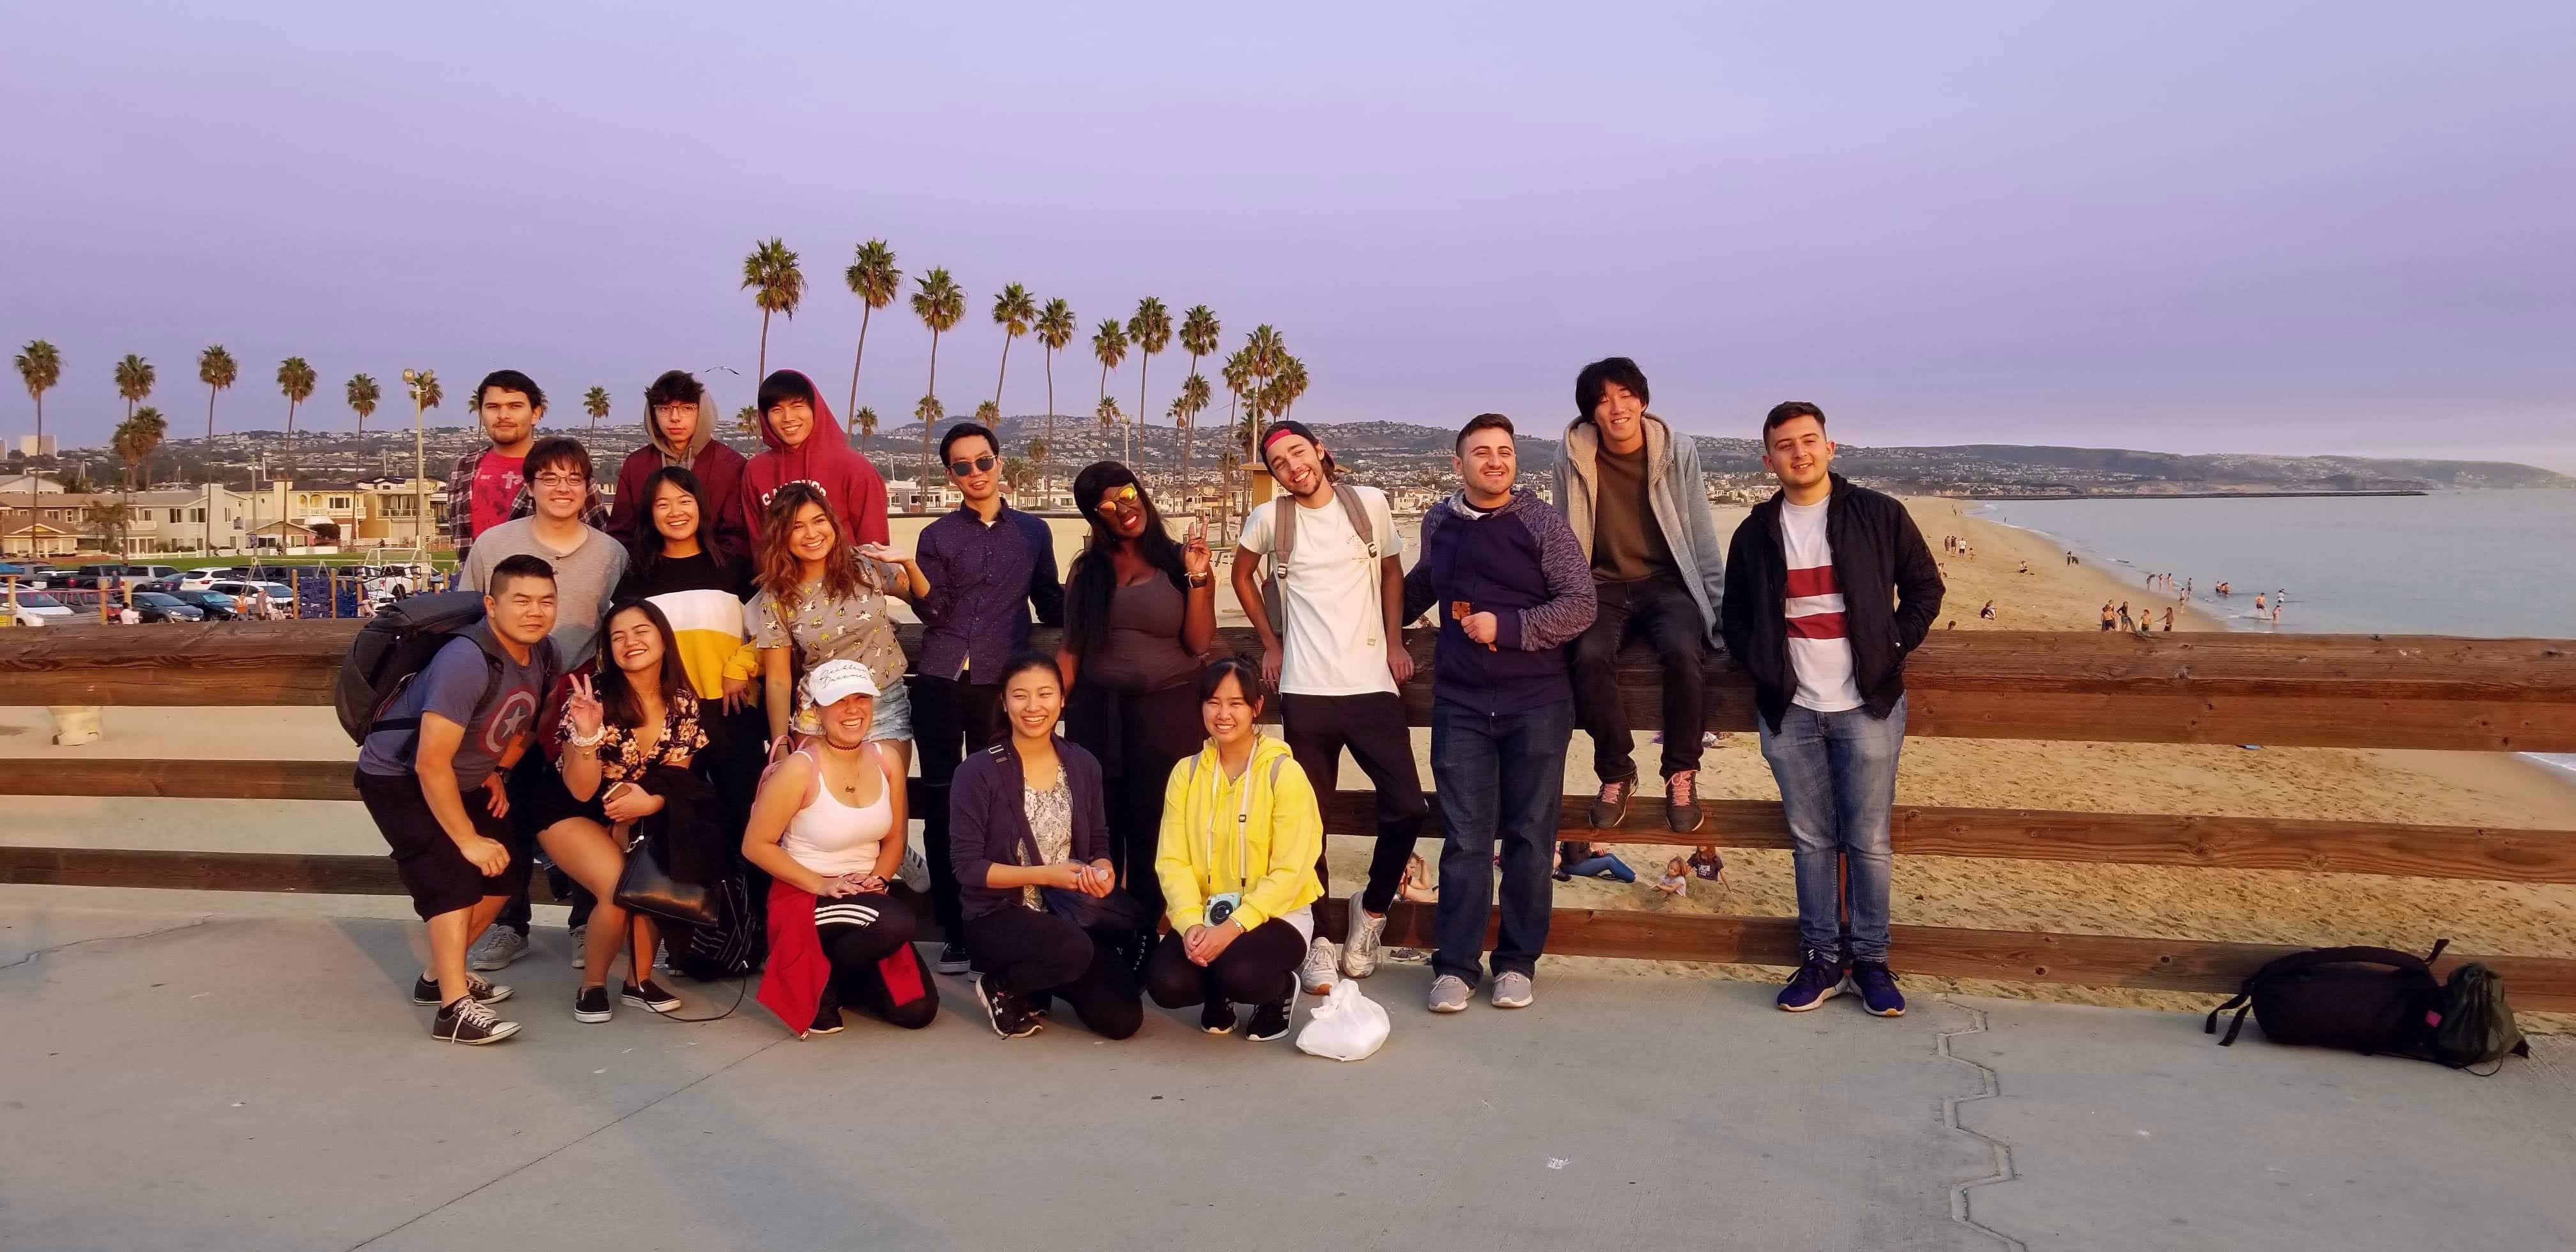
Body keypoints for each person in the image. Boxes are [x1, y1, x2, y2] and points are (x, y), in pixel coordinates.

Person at [1721, 401, 1942, 1019]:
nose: (1800, 452)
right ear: (1769, 460)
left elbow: (1926, 588)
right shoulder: (1755, 531)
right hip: (1789, 709)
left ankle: (1870, 962)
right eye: (1785, 445)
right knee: (1811, 840)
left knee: (1869, 842)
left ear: (1831, 447)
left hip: (1866, 705)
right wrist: (1762, 665)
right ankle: (1821, 960)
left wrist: (1892, 646)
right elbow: (1733, 615)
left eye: (1809, 440)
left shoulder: (1878, 514)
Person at [1399, 413, 1597, 1013]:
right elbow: (1421, 585)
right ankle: (1455, 966)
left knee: (1531, 841)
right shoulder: (1440, 520)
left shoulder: (1540, 522)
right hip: (1460, 703)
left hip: (1536, 703)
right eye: (1481, 452)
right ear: (1458, 465)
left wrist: (1507, 628)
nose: (1495, 461)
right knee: (1462, 840)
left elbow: (1581, 603)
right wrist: (1372, 624)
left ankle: (1516, 963)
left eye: (1504, 451)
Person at [1230, 420, 1427, 993]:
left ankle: (1370, 913)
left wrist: (1394, 640)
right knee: (1307, 822)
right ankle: (1318, 937)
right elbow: (1242, 575)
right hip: (1306, 690)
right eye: (1279, 463)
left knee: (1409, 807)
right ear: (1275, 475)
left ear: (1319, 451)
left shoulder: (1369, 504)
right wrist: (1270, 642)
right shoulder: (1271, 519)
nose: (1293, 466)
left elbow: (1392, 571)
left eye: (1298, 452)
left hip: (1371, 686)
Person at [351, 554, 560, 1044]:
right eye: (521, 600)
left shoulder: (544, 653)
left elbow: (525, 721)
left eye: (547, 601)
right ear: (491, 605)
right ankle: (453, 1009)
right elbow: (428, 762)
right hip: (398, 777)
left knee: (505, 874)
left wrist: (496, 769)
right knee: (450, 879)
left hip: (465, 777)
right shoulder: (465, 660)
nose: (535, 611)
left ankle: (436, 978)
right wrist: (466, 839)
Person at [459, 437, 629, 973]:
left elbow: (621, 625)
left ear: (588, 489)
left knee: (584, 809)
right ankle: (508, 924)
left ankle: (584, 922)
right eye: (550, 479)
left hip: (575, 704)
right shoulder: (493, 544)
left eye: (574, 479)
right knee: (498, 812)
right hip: (502, 700)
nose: (562, 489)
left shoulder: (611, 553)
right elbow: (467, 616)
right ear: (529, 487)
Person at [912, 422, 1066, 975]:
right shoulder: (935, 537)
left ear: (1000, 463)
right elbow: (931, 612)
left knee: (997, 804)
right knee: (939, 800)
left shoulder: (1032, 533)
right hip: (938, 679)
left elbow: (1049, 601)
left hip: (998, 687)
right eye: (962, 466)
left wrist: (1103, 602)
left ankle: (991, 924)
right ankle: (953, 929)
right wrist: (907, 574)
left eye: (983, 462)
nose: (975, 474)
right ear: (950, 475)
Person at [1552, 358, 1728, 843]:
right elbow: (1564, 533)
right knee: (1586, 654)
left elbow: (1700, 530)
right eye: (1603, 400)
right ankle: (1616, 772)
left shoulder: (1677, 450)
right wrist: (1564, 598)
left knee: (1683, 651)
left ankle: (1681, 772)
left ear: (1643, 400)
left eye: (1625, 395)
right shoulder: (1570, 455)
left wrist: (1716, 611)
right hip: (1601, 584)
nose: (1616, 408)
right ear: (1591, 413)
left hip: (1665, 581)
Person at [1057, 461, 1215, 975]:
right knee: (1101, 827)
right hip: (1097, 714)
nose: (1124, 511)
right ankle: (1108, 932)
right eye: (1107, 506)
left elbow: (1199, 643)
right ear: (1095, 517)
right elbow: (1071, 649)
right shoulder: (1089, 570)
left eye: (1127, 496)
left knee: (1156, 827)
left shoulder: (1178, 561)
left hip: (1168, 712)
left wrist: (1197, 577)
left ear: (1141, 493)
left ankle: (1148, 932)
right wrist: (1042, 712)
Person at [610, 467, 766, 969]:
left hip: (733, 715)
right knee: (682, 831)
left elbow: (770, 634)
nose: (676, 512)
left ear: (701, 505)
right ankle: (688, 943)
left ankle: (754, 933)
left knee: (747, 823)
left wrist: (744, 669)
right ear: (648, 516)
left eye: (684, 500)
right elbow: (626, 644)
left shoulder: (735, 568)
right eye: (662, 504)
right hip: (672, 727)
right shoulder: (638, 575)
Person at [949, 653, 1144, 1041]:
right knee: (1073, 949)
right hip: (999, 916)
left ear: (1061, 699)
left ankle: (1041, 983)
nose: (1033, 707)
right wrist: (1044, 875)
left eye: (1045, 694)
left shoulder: (1082, 763)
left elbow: (1100, 842)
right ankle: (1003, 985)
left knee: (1123, 1020)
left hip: (1066, 913)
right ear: (1004, 702)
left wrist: (1102, 871)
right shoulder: (977, 771)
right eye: (1020, 696)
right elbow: (967, 868)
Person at [538, 601, 714, 1021]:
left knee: (652, 869)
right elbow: (580, 791)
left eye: (640, 631)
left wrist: (650, 803)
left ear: (662, 637)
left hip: (636, 807)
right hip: (569, 809)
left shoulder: (683, 701)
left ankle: (639, 981)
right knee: (617, 888)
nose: (630, 642)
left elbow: (676, 777)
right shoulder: (590, 698)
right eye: (618, 637)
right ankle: (593, 985)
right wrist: (587, 734)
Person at [744, 660, 939, 1037]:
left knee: (918, 1011)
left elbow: (895, 838)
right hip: (804, 895)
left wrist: (880, 880)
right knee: (896, 921)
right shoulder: (800, 768)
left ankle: (836, 975)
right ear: (816, 710)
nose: (853, 710)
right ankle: (814, 978)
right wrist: (821, 885)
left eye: (861, 698)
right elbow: (755, 845)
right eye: (838, 701)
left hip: (866, 897)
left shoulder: (888, 760)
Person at [1147, 657, 1324, 1042]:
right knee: (1166, 983)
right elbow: (1171, 860)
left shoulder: (1284, 773)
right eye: (1213, 702)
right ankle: (1218, 994)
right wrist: (1191, 922)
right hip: (1207, 911)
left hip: (1276, 914)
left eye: (1236, 703)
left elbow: (1292, 869)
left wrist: (1234, 927)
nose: (1223, 714)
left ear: (1256, 707)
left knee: (1243, 973)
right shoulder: (1187, 773)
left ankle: (1277, 994)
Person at [749, 482, 928, 785]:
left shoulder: (865, 566)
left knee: (886, 801)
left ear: (832, 522)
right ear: (781, 536)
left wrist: (908, 563)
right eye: (797, 527)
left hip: (882, 702)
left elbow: (924, 602)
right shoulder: (777, 597)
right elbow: (779, 679)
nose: (812, 534)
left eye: (819, 521)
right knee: (823, 812)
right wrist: (780, 745)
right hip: (819, 714)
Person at [448, 370, 605, 566]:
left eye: (515, 406)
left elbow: (598, 532)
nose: (503, 415)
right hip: (477, 589)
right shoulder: (464, 468)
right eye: (493, 407)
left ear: (535, 414)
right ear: (481, 414)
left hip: (548, 590)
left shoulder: (565, 468)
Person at [606, 370, 751, 561]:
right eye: (664, 409)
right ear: (653, 414)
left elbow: (736, 536)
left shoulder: (731, 465)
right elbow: (622, 534)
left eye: (687, 408)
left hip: (717, 577)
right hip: (649, 575)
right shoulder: (636, 465)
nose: (675, 417)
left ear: (702, 411)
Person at [740, 369, 890, 549]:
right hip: (779, 577)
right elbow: (758, 543)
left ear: (815, 408)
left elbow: (874, 544)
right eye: (777, 410)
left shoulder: (854, 468)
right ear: (766, 417)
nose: (788, 418)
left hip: (845, 576)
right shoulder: (756, 470)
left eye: (797, 406)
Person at [1553, 840, 1636, 883]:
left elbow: (1583, 853)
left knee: (1609, 855)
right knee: (1608, 861)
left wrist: (1596, 853)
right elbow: (1575, 860)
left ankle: (1632, 875)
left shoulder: (1585, 834)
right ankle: (1631, 879)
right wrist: (1591, 849)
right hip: (1570, 867)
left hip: (1579, 861)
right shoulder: (1575, 839)